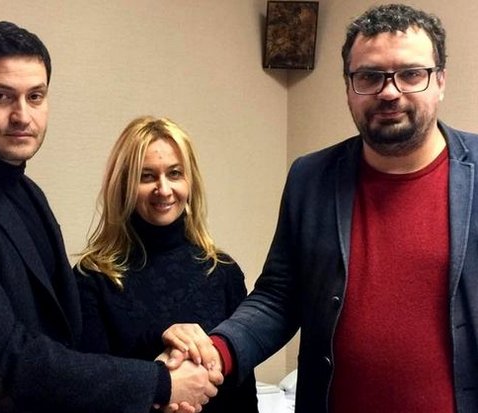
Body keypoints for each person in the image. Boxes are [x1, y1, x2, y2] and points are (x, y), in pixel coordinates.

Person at [162, 3, 478, 412]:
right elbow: (278, 298)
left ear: (440, 81)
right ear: (348, 86)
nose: (389, 91)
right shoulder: (311, 178)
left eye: (411, 74)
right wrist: (215, 353)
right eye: (369, 76)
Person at [0, 21, 220, 413]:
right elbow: (8, 365)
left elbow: (67, 337)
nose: (22, 115)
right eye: (1, 96)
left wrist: (164, 339)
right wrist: (161, 383)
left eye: (35, 96)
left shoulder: (28, 193)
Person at [74, 116, 259, 413]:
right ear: (124, 184)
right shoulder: (93, 277)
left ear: (190, 181)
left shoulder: (222, 272)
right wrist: (161, 392)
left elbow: (244, 394)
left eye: (174, 174)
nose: (163, 189)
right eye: (147, 176)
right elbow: (90, 390)